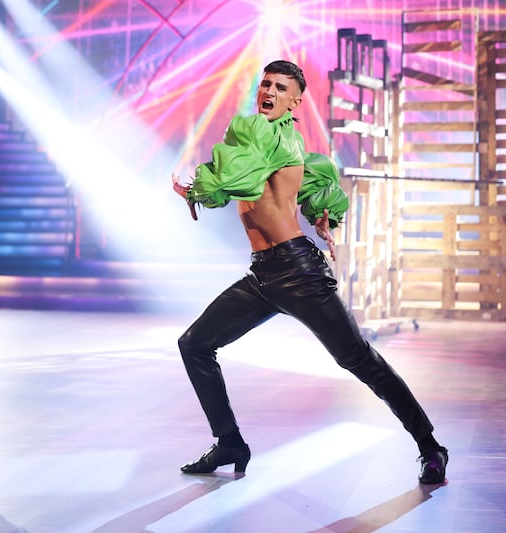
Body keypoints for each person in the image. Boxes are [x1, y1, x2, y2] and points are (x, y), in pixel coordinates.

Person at [171, 60, 447, 484]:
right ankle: (229, 442)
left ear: (296, 101)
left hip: (297, 272)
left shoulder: (264, 138)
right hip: (263, 274)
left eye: (281, 88)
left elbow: (227, 181)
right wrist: (322, 215)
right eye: (265, 84)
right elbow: (281, 183)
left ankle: (431, 447)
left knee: (359, 359)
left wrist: (195, 188)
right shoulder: (272, 141)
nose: (270, 92)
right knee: (194, 344)